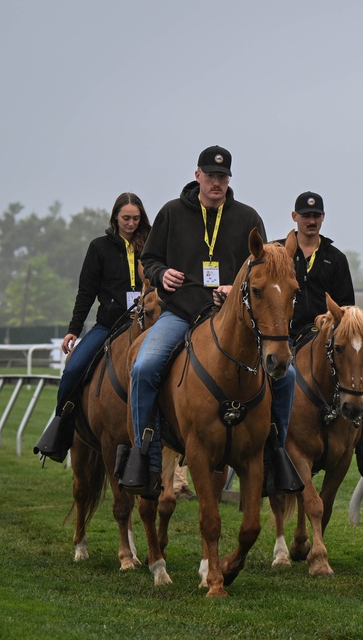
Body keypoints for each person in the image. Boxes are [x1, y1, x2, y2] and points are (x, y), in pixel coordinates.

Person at [118, 145, 300, 499]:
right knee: (144, 367)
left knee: (287, 375)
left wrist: (237, 289)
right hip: (181, 313)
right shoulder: (171, 213)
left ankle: (275, 454)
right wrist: (161, 273)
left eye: (222, 177)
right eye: (210, 175)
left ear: (228, 180)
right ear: (197, 175)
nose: (216, 182)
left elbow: (260, 267)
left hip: (230, 320)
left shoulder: (248, 217)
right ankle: (144, 456)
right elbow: (150, 258)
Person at [274, 191, 363, 477]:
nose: (311, 220)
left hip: (325, 338)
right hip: (283, 336)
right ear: (294, 217)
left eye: (316, 216)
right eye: (305, 215)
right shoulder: (279, 252)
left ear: (323, 218)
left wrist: (329, 322)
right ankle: (268, 443)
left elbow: (348, 308)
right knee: (265, 377)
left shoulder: (335, 258)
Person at [34, 193, 151, 462]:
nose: (131, 223)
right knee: (74, 368)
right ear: (115, 218)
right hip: (109, 326)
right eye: (126, 218)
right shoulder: (99, 247)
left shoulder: (152, 245)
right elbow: (86, 292)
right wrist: (73, 329)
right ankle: (60, 431)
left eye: (135, 218)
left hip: (147, 325)